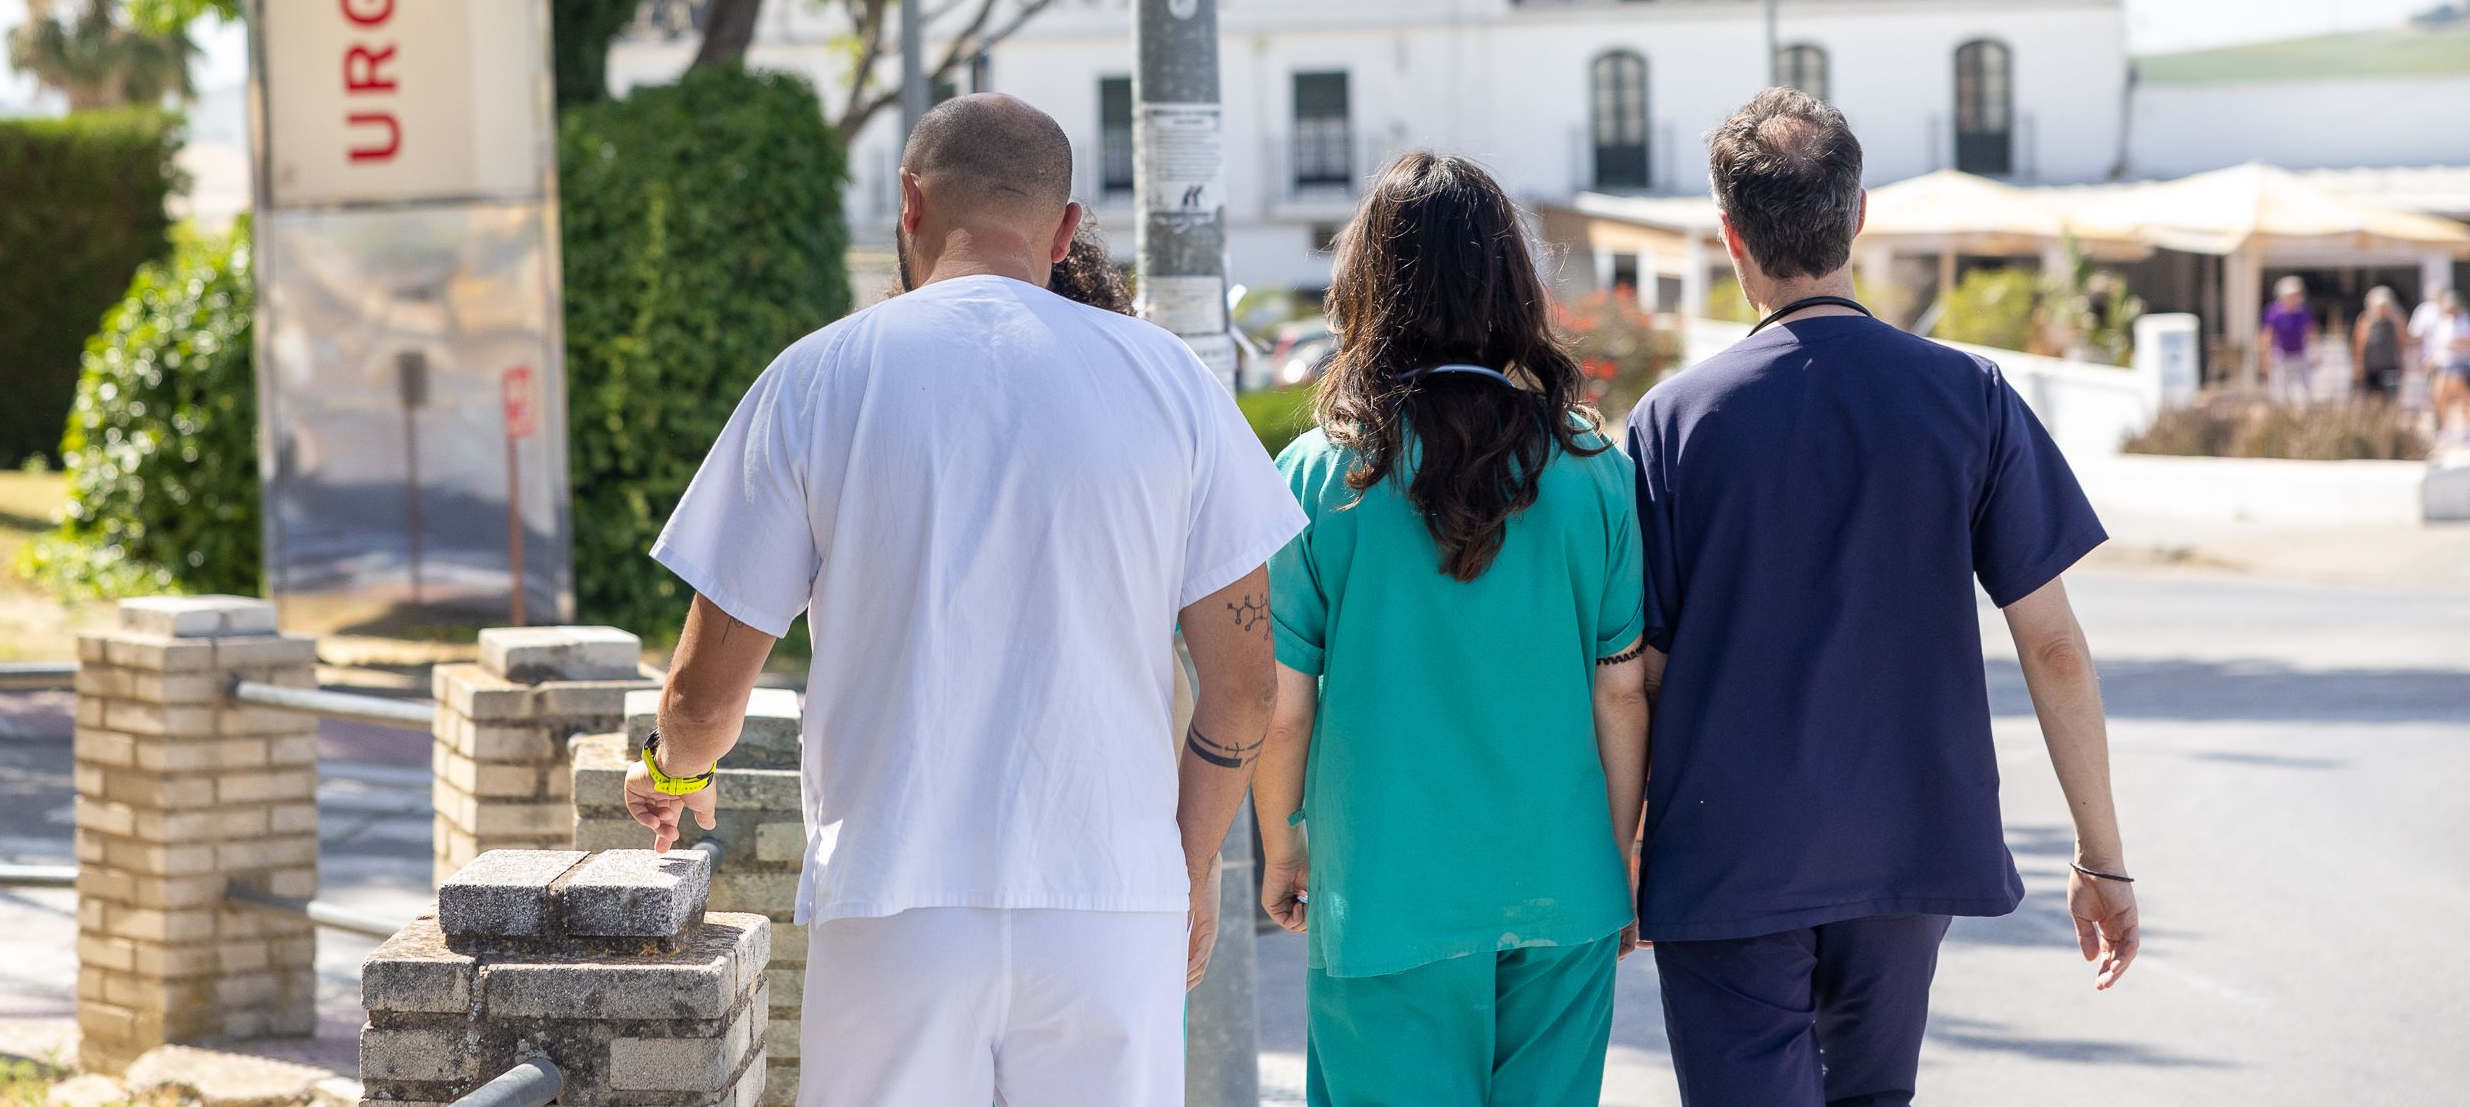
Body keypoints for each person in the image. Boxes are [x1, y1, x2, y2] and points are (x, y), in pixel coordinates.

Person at [625, 94, 1305, 1107]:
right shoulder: (1175, 386)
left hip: (894, 896)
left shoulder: (817, 379)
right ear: (1067, 226)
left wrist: (673, 778)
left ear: (909, 202)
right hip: (1110, 900)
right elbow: (1245, 688)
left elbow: (700, 700)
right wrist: (1190, 869)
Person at [1624, 89, 2138, 1107]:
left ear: (1731, 235)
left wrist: (1626, 846)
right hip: (1906, 846)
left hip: (1725, 855)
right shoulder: (1972, 397)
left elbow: (1637, 674)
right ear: (1859, 216)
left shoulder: (1671, 424)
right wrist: (2102, 858)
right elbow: (2055, 647)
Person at [1252, 153, 1649, 1107]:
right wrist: (1622, 853)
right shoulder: (1593, 469)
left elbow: (1284, 713)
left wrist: (1284, 842)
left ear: (1364, 288)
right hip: (1565, 889)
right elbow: (1623, 690)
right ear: (1512, 287)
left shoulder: (1316, 475)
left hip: (1383, 895)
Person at [2414, 286, 2470, 432]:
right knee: (2438, 396)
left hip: (2459, 364)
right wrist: (2428, 362)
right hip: (2443, 364)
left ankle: (2466, 427)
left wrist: (2456, 343)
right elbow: (2437, 346)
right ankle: (2446, 428)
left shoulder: (2465, 321)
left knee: (2461, 396)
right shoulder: (2443, 323)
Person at [2260, 275, 2314, 402]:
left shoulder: (2303, 311)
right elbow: (2267, 335)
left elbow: (2310, 331)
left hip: (2300, 355)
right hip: (2280, 356)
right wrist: (2264, 357)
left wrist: (2314, 350)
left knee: (2301, 392)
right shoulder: (2274, 312)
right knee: (2279, 393)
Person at [2352, 286, 2407, 402]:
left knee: (2391, 398)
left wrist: (2403, 363)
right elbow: (2358, 345)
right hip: (2371, 367)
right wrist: (2358, 365)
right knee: (2370, 399)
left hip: (2390, 366)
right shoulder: (2365, 322)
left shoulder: (2396, 321)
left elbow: (2401, 344)